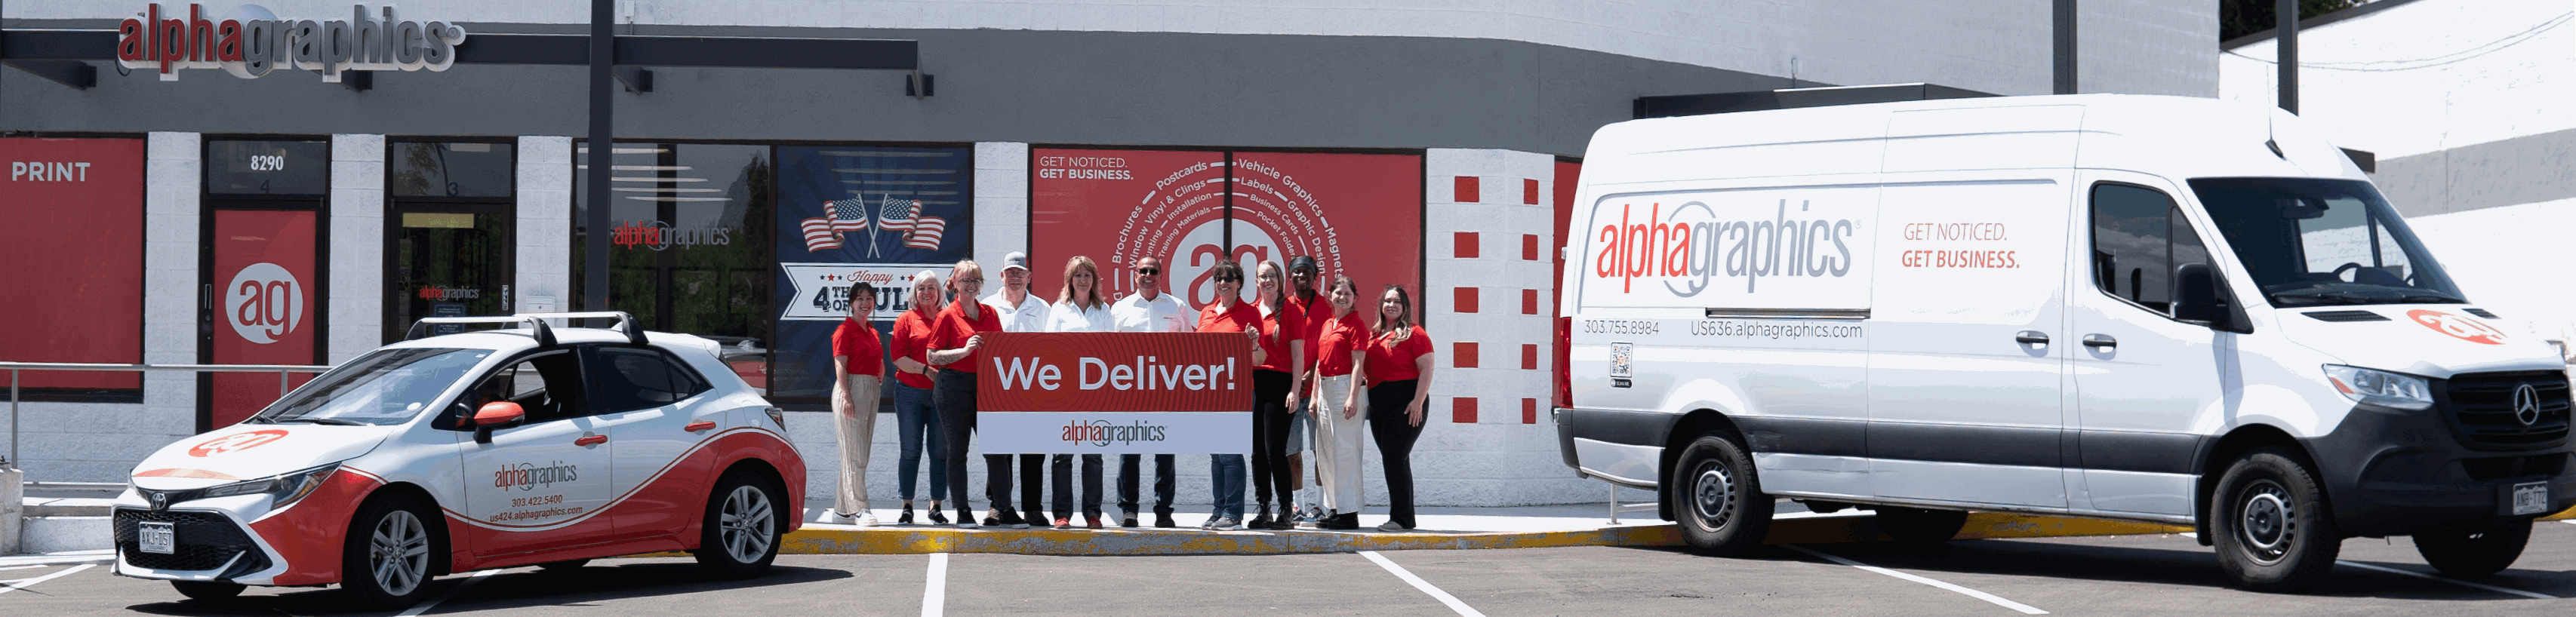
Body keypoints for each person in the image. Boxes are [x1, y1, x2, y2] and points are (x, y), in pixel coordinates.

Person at [927, 260, 1014, 528]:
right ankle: (963, 510)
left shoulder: (990, 313)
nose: (971, 285)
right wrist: (963, 351)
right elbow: (932, 355)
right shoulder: (946, 316)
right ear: (954, 284)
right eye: (965, 280)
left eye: (976, 280)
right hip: (953, 385)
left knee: (996, 449)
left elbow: (1001, 351)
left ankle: (1004, 508)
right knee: (958, 450)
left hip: (985, 386)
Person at [1110, 256, 1191, 528]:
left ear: (1161, 274)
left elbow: (1188, 351)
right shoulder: (1120, 309)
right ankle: (1129, 509)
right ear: (1135, 275)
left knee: (1165, 456)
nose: (1148, 275)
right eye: (1142, 271)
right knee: (1129, 454)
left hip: (1166, 391)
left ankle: (1164, 511)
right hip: (1129, 391)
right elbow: (1108, 352)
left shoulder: (1177, 306)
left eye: (1152, 271)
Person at [982, 251, 1055, 528]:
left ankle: (1033, 508)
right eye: (1010, 273)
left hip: (1034, 389)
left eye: (1020, 273)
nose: (1014, 277)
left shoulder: (1043, 308)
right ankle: (997, 506)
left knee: (1034, 451)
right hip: (998, 389)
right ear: (1001, 276)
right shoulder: (987, 306)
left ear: (1029, 276)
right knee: (999, 451)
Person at [1355, 284, 1434, 531]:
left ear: (1405, 307)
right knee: (1396, 459)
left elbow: (1427, 368)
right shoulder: (1373, 335)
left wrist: (1418, 402)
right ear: (1381, 305)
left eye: (1397, 302)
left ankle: (1400, 518)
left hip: (1407, 400)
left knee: (1394, 457)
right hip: (1378, 402)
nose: (1391, 305)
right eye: (1387, 301)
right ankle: (1406, 517)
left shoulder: (1415, 333)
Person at [1194, 261, 1266, 530]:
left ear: (1239, 283)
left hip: (1237, 393)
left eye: (1229, 279)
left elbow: (1259, 359)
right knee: (1216, 457)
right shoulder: (1206, 313)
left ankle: (1233, 514)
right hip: (1210, 392)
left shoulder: (1250, 313)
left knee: (1231, 455)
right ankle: (1219, 510)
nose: (1223, 283)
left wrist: (1254, 343)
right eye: (1219, 279)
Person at [1046, 256, 1116, 529]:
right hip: (1064, 393)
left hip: (1095, 394)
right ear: (1070, 280)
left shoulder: (1104, 311)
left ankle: (1092, 514)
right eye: (1078, 275)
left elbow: (1112, 350)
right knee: (1062, 456)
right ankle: (1062, 514)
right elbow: (1049, 349)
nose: (1083, 280)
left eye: (1088, 275)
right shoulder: (1058, 310)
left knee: (1093, 457)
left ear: (1094, 280)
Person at [888, 270, 949, 526]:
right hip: (910, 393)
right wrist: (926, 370)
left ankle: (936, 506)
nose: (927, 292)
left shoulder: (948, 318)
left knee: (940, 451)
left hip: (941, 395)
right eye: (922, 288)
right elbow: (897, 357)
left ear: (940, 293)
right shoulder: (906, 320)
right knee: (910, 450)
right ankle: (907, 506)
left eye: (932, 287)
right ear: (915, 293)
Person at [1310, 273, 1370, 530]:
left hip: (1345, 387)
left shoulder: (1356, 326)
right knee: (1326, 453)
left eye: (1347, 294)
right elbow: (1319, 365)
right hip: (1325, 388)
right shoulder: (1327, 324)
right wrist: (1314, 396)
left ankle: (1349, 512)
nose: (1342, 297)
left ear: (1354, 298)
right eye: (1338, 293)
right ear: (1330, 296)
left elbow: (1358, 364)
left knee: (1345, 452)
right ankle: (1334, 508)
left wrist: (1353, 397)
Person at [1248, 259, 1304, 530]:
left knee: (1275, 451)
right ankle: (1263, 509)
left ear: (1280, 280)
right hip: (1253, 384)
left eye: (1272, 275)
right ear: (1256, 281)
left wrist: (1295, 390)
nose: (1267, 280)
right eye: (1262, 276)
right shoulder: (1248, 311)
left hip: (1279, 385)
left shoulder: (1291, 311)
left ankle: (1286, 510)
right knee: (1258, 453)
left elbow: (1298, 354)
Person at [827, 282, 887, 526]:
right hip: (850, 389)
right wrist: (847, 397)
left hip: (871, 390)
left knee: (858, 453)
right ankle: (860, 508)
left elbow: (879, 358)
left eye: (870, 298)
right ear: (851, 303)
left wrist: (879, 374)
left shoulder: (872, 330)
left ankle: (842, 510)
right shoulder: (845, 330)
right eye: (860, 298)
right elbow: (840, 365)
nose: (865, 303)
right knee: (855, 455)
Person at [1283, 256, 1331, 525]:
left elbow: (1328, 346)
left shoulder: (1325, 307)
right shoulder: (1285, 306)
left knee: (1319, 450)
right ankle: (1297, 505)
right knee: (1292, 451)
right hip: (1291, 391)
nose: (1302, 276)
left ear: (1315, 277)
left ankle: (1320, 505)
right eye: (1297, 272)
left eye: (1307, 272)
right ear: (1290, 276)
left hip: (1316, 391)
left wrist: (1311, 373)